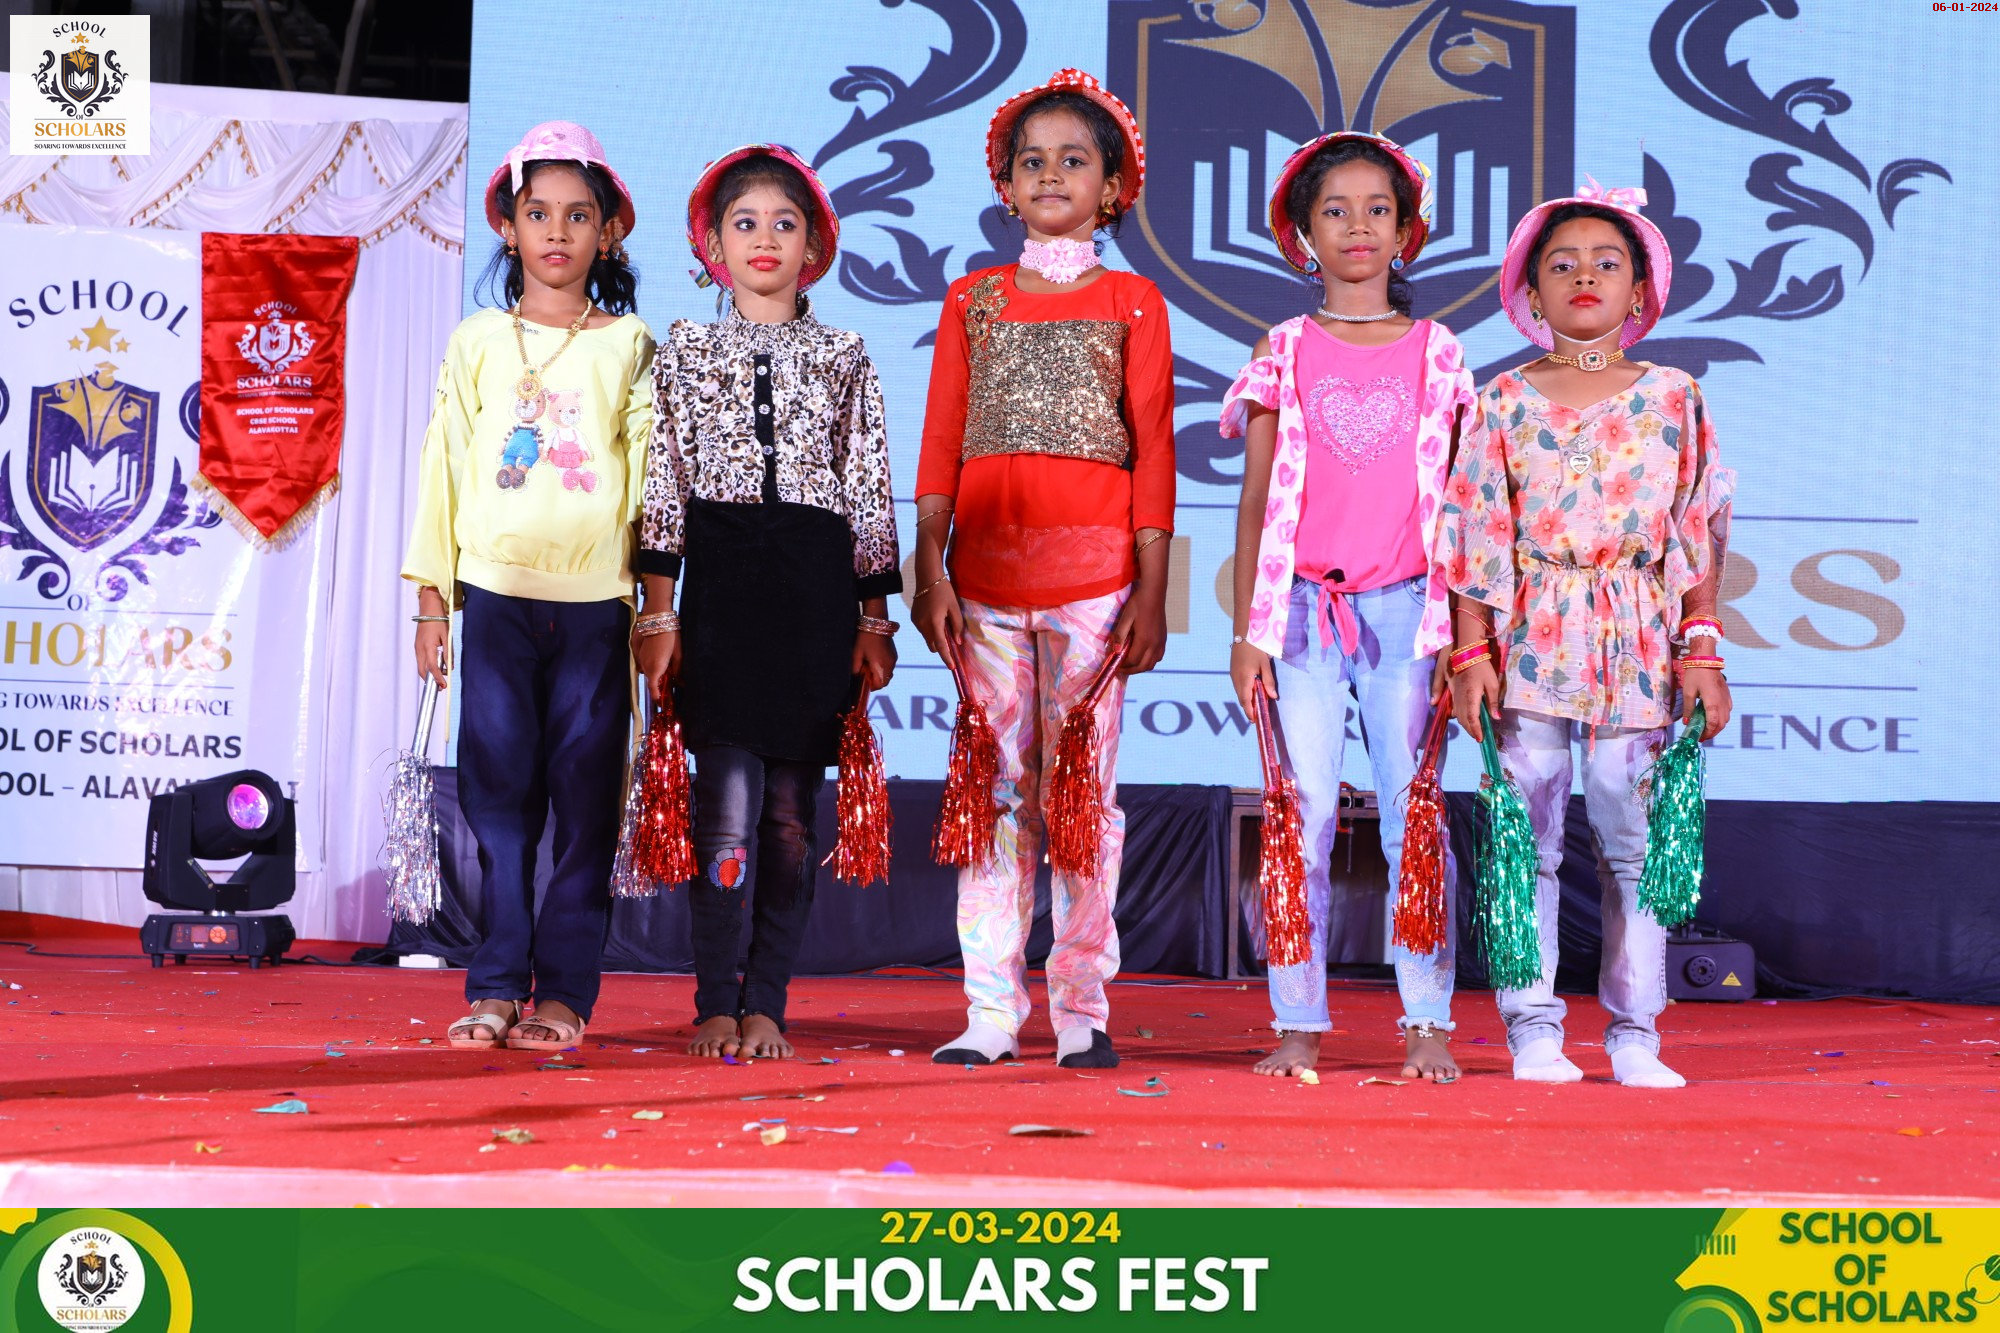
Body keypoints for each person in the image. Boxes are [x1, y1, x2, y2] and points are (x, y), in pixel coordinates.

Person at [1441, 182, 1734, 1089]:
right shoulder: (1500, 400)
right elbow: (1475, 535)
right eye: (1561, 263)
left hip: (1638, 634)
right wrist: (1469, 652)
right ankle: (1532, 1025)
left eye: (1607, 263)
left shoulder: (1675, 396)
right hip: (1530, 629)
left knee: (1631, 827)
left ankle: (1635, 1030)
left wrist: (1702, 649)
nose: (1584, 276)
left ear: (1639, 290)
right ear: (1530, 290)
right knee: (1524, 832)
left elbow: (1698, 531)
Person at [912, 69, 1175, 1070]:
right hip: (982, 583)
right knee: (995, 798)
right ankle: (989, 1008)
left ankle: (1079, 1008)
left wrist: (1152, 590)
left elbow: (1153, 449)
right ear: (1005, 185)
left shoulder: (1133, 301)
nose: (1051, 174)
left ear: (1113, 188)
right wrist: (930, 571)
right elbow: (942, 441)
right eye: (1033, 161)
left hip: (1097, 585)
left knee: (1081, 800)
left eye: (1074, 160)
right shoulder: (972, 300)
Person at [635, 145, 899, 1061]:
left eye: (785, 224)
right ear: (712, 246)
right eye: (744, 223)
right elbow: (664, 480)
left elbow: (868, 484)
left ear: (813, 247)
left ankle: (768, 1004)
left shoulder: (844, 353)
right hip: (721, 597)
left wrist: (873, 618)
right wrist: (659, 611)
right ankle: (716, 999)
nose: (764, 239)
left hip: (813, 599)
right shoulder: (685, 348)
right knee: (725, 814)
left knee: (789, 821)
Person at [1221, 132, 1475, 1083]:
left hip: (1410, 612)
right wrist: (1250, 629)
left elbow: (1463, 505)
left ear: (1407, 232)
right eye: (1335, 210)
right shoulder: (1283, 348)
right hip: (1300, 614)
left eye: (1378, 210)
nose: (1358, 226)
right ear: (1303, 234)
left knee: (1417, 816)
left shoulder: (1438, 352)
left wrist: (1461, 634)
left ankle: (1427, 1020)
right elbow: (1257, 498)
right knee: (1303, 813)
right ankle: (1298, 1019)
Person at [403, 121, 653, 1051]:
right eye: (537, 212)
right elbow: (443, 466)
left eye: (578, 215)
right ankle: (499, 981)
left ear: (607, 232)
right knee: (499, 802)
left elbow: (651, 483)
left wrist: (656, 608)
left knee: (587, 806)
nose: (557, 230)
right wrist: (433, 599)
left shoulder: (630, 344)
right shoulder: (477, 341)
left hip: (597, 607)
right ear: (507, 228)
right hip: (496, 598)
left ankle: (566, 994)